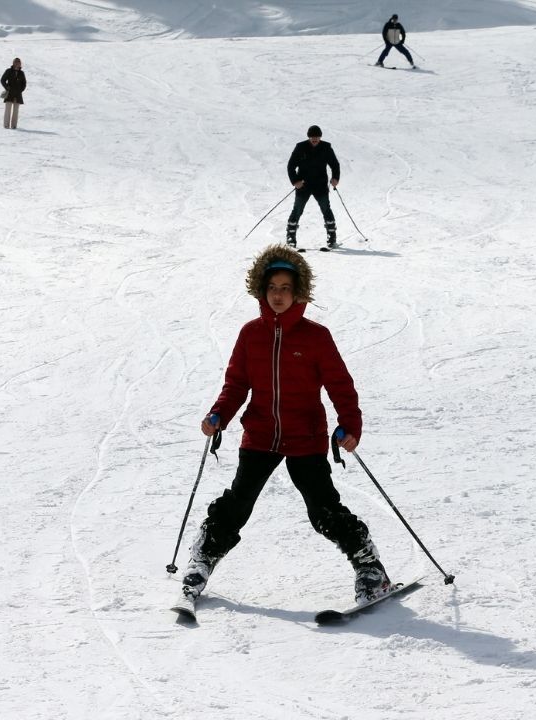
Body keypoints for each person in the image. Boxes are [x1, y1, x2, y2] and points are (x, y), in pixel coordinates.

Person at [180, 244, 392, 606]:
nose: (278, 295)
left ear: (298, 293)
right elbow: (236, 384)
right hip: (260, 434)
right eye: (272, 288)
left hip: (305, 437)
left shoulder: (316, 337)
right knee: (237, 503)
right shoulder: (250, 334)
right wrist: (219, 415)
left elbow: (341, 385)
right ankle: (202, 561)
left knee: (323, 509)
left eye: (285, 288)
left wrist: (349, 425)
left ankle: (370, 568)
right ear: (261, 290)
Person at [285, 125, 340, 249]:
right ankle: (290, 237)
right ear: (308, 137)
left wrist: (335, 178)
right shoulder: (300, 147)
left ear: (320, 136)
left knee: (326, 209)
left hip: (320, 184)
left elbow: (335, 164)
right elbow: (290, 166)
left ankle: (332, 237)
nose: (314, 139)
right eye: (312, 137)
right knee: (297, 210)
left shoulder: (326, 147)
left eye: (317, 137)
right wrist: (295, 181)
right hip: (303, 185)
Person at [0, 57, 26, 129]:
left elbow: (24, 83)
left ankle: (14, 126)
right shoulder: (8, 71)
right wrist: (7, 87)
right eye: (16, 62)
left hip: (17, 94)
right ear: (13, 63)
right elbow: (2, 80)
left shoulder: (21, 73)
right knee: (7, 110)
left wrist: (20, 90)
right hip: (9, 94)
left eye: (19, 62)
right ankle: (6, 125)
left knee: (16, 111)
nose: (18, 63)